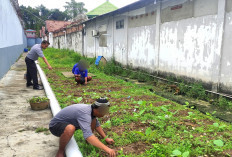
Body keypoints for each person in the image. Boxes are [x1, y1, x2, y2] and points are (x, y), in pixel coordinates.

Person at [49, 98, 116, 157]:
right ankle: (60, 152)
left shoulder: (92, 111)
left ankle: (88, 142)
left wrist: (106, 138)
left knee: (94, 121)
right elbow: (88, 135)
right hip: (55, 126)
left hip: (67, 124)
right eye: (103, 111)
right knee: (70, 128)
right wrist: (107, 149)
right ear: (97, 109)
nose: (104, 114)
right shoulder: (85, 114)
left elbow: (96, 125)